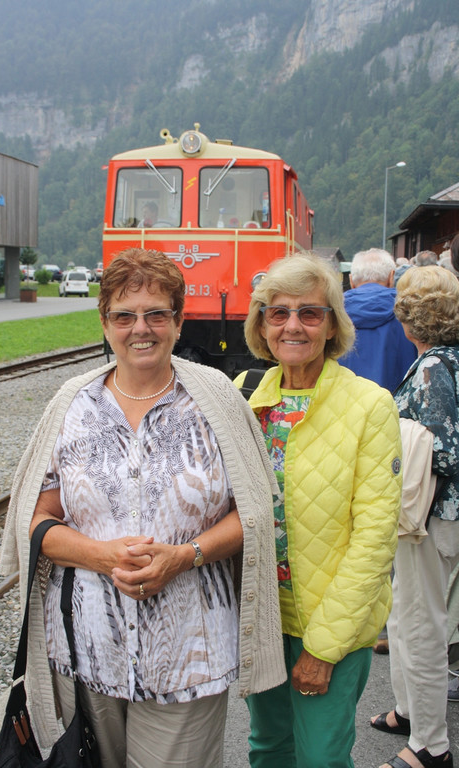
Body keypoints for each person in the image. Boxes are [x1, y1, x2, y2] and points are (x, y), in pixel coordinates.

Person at [0, 247, 286, 768]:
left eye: (157, 313)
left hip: (190, 655)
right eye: (124, 315)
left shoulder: (216, 399)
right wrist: (100, 555)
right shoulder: (72, 404)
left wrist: (185, 555)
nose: (141, 328)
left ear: (178, 321)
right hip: (85, 652)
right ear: (105, 323)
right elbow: (35, 520)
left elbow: (256, 511)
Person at [235, 253, 402, 768]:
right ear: (261, 325)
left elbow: (375, 539)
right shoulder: (245, 400)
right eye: (277, 312)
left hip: (332, 625)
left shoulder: (370, 406)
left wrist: (324, 647)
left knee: (320, 759)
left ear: (332, 326)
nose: (293, 325)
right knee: (267, 750)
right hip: (262, 622)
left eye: (311, 313)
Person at [371, 266, 459, 768]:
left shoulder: (431, 368)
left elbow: (445, 451)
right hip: (436, 514)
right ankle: (408, 711)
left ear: (409, 321)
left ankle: (431, 746)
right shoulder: (446, 360)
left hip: (433, 513)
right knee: (404, 609)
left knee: (423, 625)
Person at [340, 248, 416, 392]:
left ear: (351, 280)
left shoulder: (331, 314)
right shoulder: (409, 312)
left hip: (343, 407)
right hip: (396, 407)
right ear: (391, 277)